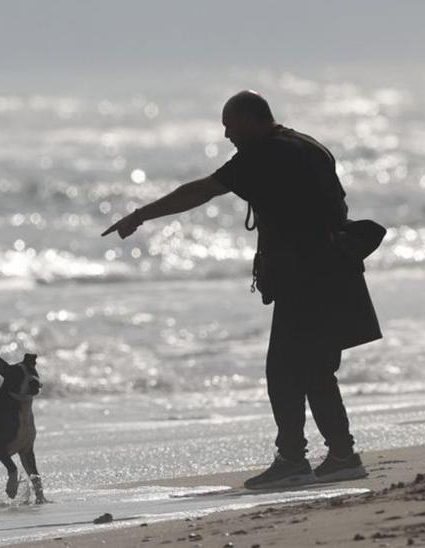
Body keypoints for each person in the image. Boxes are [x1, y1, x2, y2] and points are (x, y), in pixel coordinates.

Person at [102, 90, 382, 489]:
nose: (227, 134)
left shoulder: (266, 154)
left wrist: (140, 215)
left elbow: (201, 190)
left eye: (230, 125)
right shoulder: (307, 146)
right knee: (316, 368)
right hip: (335, 269)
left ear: (251, 120)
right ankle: (342, 455)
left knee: (283, 370)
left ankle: (293, 460)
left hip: (306, 277)